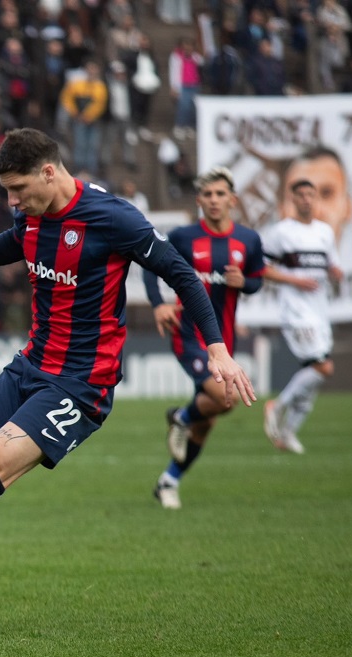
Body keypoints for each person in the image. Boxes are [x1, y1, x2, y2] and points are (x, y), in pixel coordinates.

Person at [0, 129, 255, 634]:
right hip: (31, 364)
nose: (12, 201)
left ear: (50, 171)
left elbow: (180, 273)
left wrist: (218, 350)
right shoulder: (29, 215)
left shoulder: (113, 218)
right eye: (6, 191)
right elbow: (14, 242)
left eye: (18, 188)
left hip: (80, 381)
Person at [143, 167, 265, 509]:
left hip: (223, 341)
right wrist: (158, 305)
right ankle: (180, 417)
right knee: (226, 399)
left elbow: (256, 280)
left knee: (207, 419)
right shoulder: (183, 238)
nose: (214, 200)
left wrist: (247, 283)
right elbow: (149, 266)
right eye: (207, 195)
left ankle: (168, 481)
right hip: (189, 335)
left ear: (232, 199)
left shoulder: (248, 241)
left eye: (220, 194)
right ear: (199, 200)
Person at [262, 179, 343, 454]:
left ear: (316, 198)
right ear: (292, 200)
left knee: (315, 373)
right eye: (301, 195)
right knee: (323, 367)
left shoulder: (325, 232)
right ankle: (278, 406)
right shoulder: (281, 232)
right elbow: (262, 269)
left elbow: (331, 264)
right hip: (296, 312)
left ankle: (288, 433)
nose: (306, 199)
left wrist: (336, 273)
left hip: (320, 311)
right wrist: (293, 280)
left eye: (311, 194)